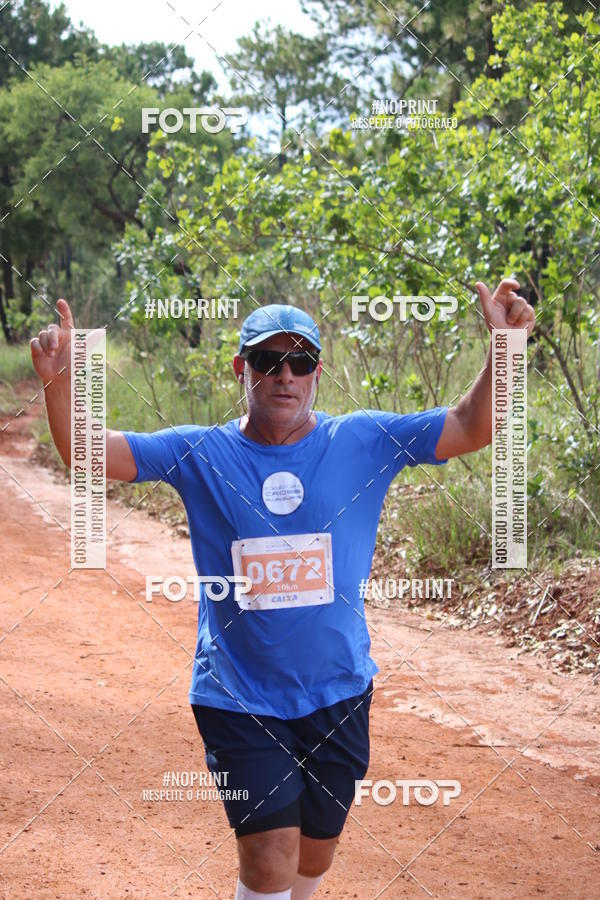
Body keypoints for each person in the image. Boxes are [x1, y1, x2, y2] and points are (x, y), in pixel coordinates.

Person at [30, 280, 535, 900]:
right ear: (242, 369)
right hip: (238, 696)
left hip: (338, 692)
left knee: (310, 864)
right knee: (270, 859)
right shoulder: (201, 453)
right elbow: (87, 453)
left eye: (299, 361)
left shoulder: (363, 440)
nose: (284, 375)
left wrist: (505, 347)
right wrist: (59, 382)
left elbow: (468, 425)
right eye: (269, 361)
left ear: (317, 372)